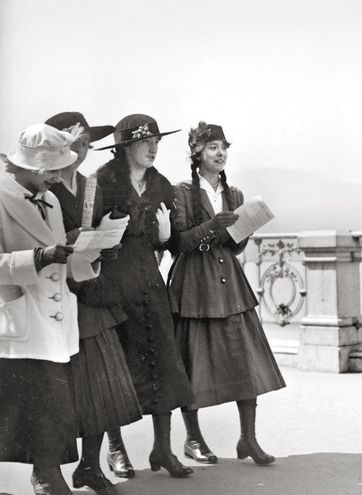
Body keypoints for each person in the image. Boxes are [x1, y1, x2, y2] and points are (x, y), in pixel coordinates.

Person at [167, 122, 285, 466]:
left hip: (229, 282)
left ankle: (248, 439)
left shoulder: (234, 194)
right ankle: (193, 438)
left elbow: (234, 247)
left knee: (244, 359)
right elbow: (177, 243)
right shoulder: (182, 193)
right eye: (212, 147)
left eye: (223, 147)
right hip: (194, 283)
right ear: (197, 154)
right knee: (194, 362)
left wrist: (243, 228)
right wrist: (212, 227)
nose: (220, 153)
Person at [0, 124, 101, 495]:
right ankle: (47, 478)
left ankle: (46, 476)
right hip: (18, 320)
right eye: (55, 170)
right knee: (18, 407)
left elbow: (59, 259)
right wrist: (37, 257)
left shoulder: (52, 201)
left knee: (52, 405)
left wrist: (90, 256)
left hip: (52, 321)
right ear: (38, 167)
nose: (59, 178)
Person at [45, 112, 142, 493]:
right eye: (75, 144)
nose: (82, 152)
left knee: (101, 386)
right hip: (55, 293)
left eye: (87, 144)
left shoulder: (90, 187)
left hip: (92, 295)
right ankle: (48, 469)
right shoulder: (46, 186)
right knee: (59, 389)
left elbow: (98, 232)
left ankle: (90, 465)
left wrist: (108, 246)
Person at [94, 114, 195, 478]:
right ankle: (115, 449)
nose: (153, 147)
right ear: (125, 147)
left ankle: (162, 450)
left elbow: (165, 242)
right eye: (145, 141)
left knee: (163, 362)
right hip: (113, 283)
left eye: (156, 141)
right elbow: (87, 236)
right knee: (116, 369)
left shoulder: (161, 184)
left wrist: (165, 237)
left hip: (150, 284)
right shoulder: (103, 182)